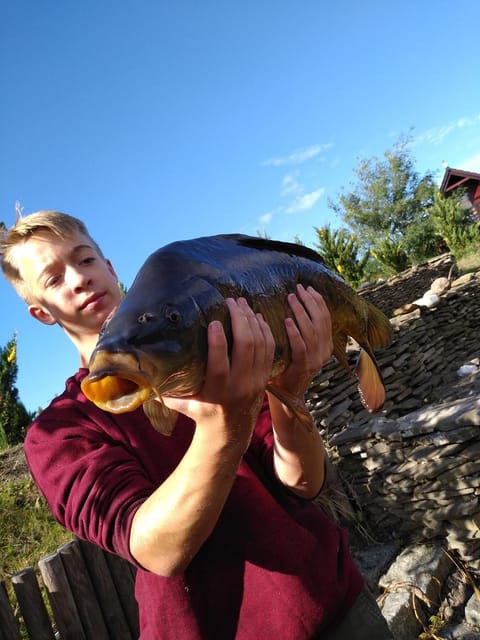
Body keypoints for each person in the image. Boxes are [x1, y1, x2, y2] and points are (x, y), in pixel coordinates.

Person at [0, 210, 393, 639]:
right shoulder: (59, 432)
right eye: (54, 278)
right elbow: (157, 549)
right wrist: (225, 425)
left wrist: (289, 390)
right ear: (41, 313)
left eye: (85, 259)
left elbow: (304, 483)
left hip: (336, 604)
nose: (79, 278)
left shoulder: (222, 347)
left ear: (109, 268)